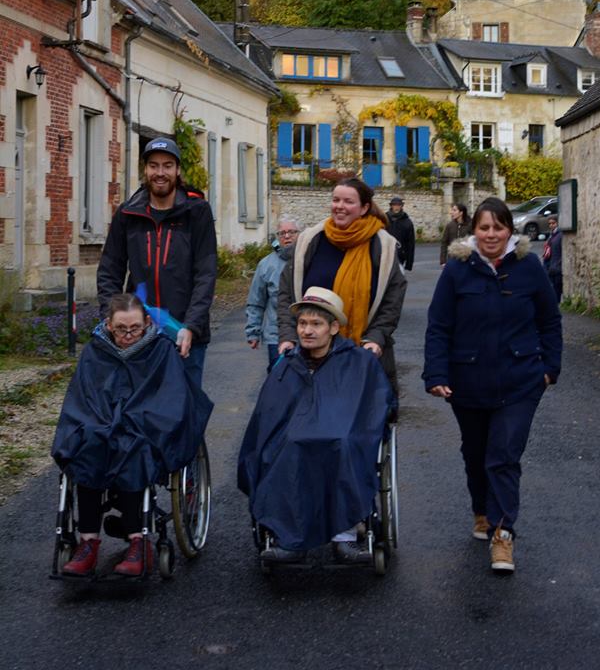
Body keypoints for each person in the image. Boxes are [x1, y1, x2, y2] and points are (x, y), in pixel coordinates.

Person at [423, 196, 562, 573]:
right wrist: (436, 375)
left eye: (498, 227)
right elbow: (439, 326)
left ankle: (503, 535)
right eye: (484, 227)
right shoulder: (457, 269)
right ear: (474, 231)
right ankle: (482, 511)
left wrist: (549, 368)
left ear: (509, 230)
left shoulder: (529, 267)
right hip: (467, 380)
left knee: (503, 456)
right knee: (476, 453)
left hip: (520, 380)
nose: (491, 234)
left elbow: (550, 320)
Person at [52, 293, 213, 578]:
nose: (128, 335)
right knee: (86, 444)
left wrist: (133, 420)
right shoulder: (95, 352)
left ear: (147, 322)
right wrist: (99, 423)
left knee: (132, 447)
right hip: (100, 422)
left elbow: (171, 400)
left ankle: (138, 541)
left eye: (135, 329)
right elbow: (82, 397)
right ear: (108, 325)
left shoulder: (161, 351)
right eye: (121, 329)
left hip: (146, 424)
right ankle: (88, 543)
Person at [238, 288, 394, 563]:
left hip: (343, 436)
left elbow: (377, 404)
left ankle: (344, 535)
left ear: (334, 327)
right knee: (282, 448)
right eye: (302, 324)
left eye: (316, 324)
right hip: (294, 439)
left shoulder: (358, 362)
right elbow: (268, 413)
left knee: (342, 445)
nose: (307, 331)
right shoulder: (287, 365)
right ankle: (289, 537)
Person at [97, 136, 217, 387]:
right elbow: (110, 269)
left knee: (186, 409)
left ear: (178, 170)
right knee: (140, 410)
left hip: (185, 332)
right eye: (153, 165)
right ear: (145, 170)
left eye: (167, 165)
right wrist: (113, 318)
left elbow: (205, 273)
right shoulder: (128, 213)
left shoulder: (197, 211)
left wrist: (192, 326)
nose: (160, 173)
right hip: (140, 332)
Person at [277, 177, 407, 394]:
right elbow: (287, 294)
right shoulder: (310, 241)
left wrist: (375, 338)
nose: (340, 206)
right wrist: (288, 335)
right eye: (336, 200)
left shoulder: (382, 246)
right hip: (310, 358)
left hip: (364, 355)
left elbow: (392, 300)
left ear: (364, 207)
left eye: (348, 201)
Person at [245, 216, 302, 370]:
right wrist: (253, 331)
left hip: (307, 333)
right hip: (275, 335)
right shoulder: (266, 265)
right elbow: (256, 301)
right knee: (279, 379)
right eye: (282, 233)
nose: (287, 236)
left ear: (300, 234)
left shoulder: (309, 259)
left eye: (291, 232)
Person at [385, 196, 416, 270]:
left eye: (398, 205)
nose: (396, 207)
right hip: (385, 255)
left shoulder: (407, 222)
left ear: (401, 206)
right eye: (394, 205)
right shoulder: (384, 219)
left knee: (398, 279)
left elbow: (410, 243)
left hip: (400, 256)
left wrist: (409, 263)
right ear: (391, 206)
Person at [542, 217, 563, 303]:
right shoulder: (551, 235)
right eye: (549, 224)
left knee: (557, 289)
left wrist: (558, 263)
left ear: (557, 223)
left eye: (553, 223)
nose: (551, 225)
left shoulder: (560, 235)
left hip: (557, 267)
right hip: (550, 267)